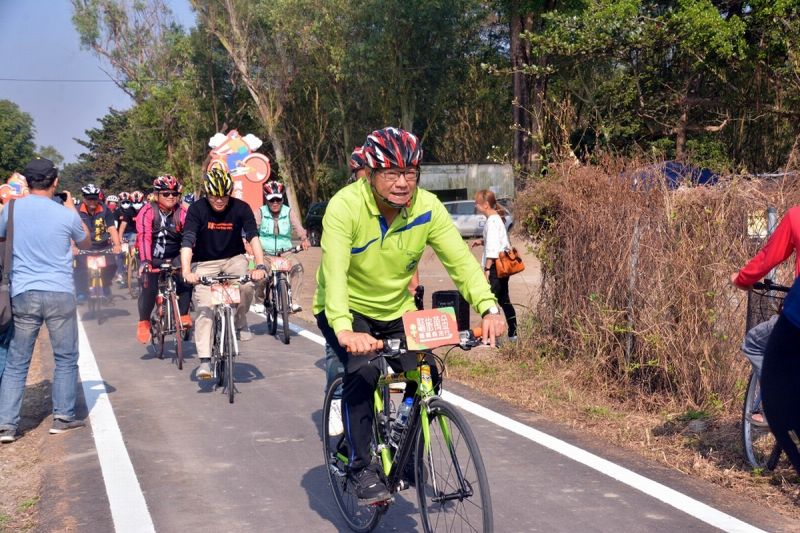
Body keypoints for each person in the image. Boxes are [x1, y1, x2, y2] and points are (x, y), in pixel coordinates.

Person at [314, 127, 505, 503]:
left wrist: (489, 306)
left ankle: (401, 444)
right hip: (346, 308)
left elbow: (461, 262)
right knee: (364, 370)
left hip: (396, 307)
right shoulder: (345, 206)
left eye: (410, 173)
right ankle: (360, 466)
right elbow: (334, 273)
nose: (402, 183)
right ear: (369, 173)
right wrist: (343, 329)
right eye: (391, 173)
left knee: (425, 372)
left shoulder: (428, 207)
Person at [0, 158, 91, 443]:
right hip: (59, 292)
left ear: (27, 182)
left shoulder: (11, 209)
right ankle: (63, 417)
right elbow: (85, 241)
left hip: (23, 293)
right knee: (65, 357)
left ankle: (6, 425)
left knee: (17, 361)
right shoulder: (64, 214)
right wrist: (71, 205)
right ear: (55, 182)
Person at [732, 205, 800, 473]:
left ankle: (774, 402)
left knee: (755, 342)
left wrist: (741, 278)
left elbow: (768, 257)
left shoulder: (796, 216)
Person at [180, 168, 267, 380]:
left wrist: (260, 265)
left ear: (230, 193)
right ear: (207, 193)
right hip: (204, 263)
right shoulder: (197, 210)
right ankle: (205, 361)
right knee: (205, 308)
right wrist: (186, 271)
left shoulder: (241, 208)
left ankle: (239, 320)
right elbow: (187, 241)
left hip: (233, 258)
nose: (219, 201)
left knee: (246, 285)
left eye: (223, 196)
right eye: (214, 196)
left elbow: (253, 237)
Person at [134, 175, 192, 343]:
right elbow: (144, 237)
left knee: (186, 278)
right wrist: (145, 261)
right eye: (166, 194)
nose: (171, 197)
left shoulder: (182, 212)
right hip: (151, 257)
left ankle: (184, 314)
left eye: (174, 194)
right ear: (157, 194)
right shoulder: (147, 211)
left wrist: (189, 260)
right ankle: (144, 321)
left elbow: (189, 236)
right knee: (149, 289)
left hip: (174, 255)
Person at [256, 180, 311, 313]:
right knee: (260, 276)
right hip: (266, 254)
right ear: (266, 200)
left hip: (286, 253)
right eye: (272, 200)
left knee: (298, 269)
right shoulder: (260, 212)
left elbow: (298, 227)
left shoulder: (288, 212)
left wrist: (304, 239)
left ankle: (294, 302)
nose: (275, 203)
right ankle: (259, 300)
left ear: (282, 199)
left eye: (278, 199)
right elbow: (252, 231)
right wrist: (249, 246)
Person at [472, 189, 517, 340]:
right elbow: (498, 241)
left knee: (489, 302)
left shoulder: (491, 221)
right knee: (504, 300)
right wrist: (481, 241)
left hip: (494, 268)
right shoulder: (496, 217)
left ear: (485, 205)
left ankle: (490, 335)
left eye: (477, 203)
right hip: (503, 267)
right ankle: (513, 333)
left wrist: (486, 269)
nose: (475, 205)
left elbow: (492, 248)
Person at [74, 184, 121, 302]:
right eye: (89, 198)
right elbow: (71, 230)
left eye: (95, 198)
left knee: (112, 265)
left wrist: (117, 245)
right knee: (79, 268)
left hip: (103, 245)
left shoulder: (105, 210)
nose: (92, 201)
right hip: (84, 246)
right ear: (84, 198)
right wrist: (73, 246)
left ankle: (106, 285)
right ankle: (81, 292)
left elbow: (111, 228)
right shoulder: (76, 211)